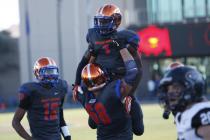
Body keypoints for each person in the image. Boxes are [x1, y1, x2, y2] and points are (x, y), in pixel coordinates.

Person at [72, 3, 144, 136]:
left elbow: (138, 69)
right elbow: (85, 62)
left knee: (138, 129)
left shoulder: (121, 39)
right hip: (100, 83)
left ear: (116, 21)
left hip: (119, 84)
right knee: (93, 123)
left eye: (105, 21)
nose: (101, 24)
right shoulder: (95, 38)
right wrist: (76, 84)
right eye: (99, 21)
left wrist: (129, 94)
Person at [75, 47, 140, 140]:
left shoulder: (83, 96)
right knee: (138, 127)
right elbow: (133, 71)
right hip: (121, 135)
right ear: (102, 77)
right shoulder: (111, 93)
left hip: (103, 135)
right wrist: (121, 48)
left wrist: (92, 55)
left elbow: (83, 78)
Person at [12, 57, 71, 140]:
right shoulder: (31, 91)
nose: (51, 75)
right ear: (37, 72)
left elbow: (60, 118)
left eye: (52, 71)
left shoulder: (61, 87)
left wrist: (67, 137)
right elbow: (15, 122)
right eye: (47, 72)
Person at [158, 66, 210, 140]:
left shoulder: (203, 112)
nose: (170, 93)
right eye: (168, 89)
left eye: (176, 88)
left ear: (193, 88)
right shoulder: (182, 113)